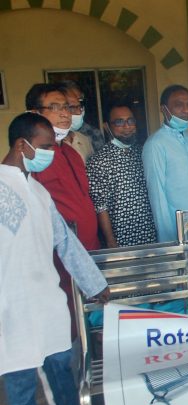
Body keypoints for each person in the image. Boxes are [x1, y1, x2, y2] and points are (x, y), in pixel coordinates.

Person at [1, 112, 109, 405]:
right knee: (19, 381)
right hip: (10, 303)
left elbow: (65, 241)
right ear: (22, 145)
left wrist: (95, 283)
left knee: (61, 363)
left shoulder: (39, 192)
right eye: (46, 146)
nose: (51, 153)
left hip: (47, 297)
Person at [27, 83, 100, 342]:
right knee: (67, 318)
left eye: (67, 107)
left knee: (90, 312)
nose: (65, 113)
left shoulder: (71, 151)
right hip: (60, 254)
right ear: (35, 113)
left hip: (88, 248)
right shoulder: (33, 157)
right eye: (55, 107)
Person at [86, 100, 157, 248]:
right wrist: (110, 240)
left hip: (151, 232)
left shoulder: (144, 152)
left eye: (130, 121)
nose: (127, 126)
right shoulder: (98, 160)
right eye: (119, 122)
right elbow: (101, 206)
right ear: (107, 126)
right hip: (121, 238)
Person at [143, 85, 188, 242]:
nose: (186, 110)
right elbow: (157, 194)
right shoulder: (155, 143)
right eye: (179, 105)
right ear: (163, 109)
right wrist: (168, 239)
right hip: (176, 227)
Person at [59, 80, 105, 152]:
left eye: (80, 101)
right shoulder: (49, 138)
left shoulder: (92, 134)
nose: (78, 111)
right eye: (71, 106)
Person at [59, 81, 95, 163]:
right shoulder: (46, 143)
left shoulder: (84, 140)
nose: (79, 112)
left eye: (79, 106)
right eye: (71, 107)